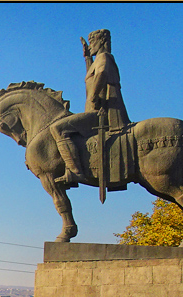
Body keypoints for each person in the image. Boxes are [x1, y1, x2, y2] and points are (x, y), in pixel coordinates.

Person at [49, 29, 129, 187]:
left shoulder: (104, 57)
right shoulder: (99, 59)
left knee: (57, 128)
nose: (90, 46)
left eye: (92, 42)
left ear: (102, 41)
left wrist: (94, 97)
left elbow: (101, 74)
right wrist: (87, 58)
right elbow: (92, 76)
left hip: (101, 113)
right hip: (95, 111)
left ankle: (75, 171)